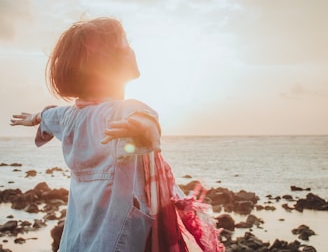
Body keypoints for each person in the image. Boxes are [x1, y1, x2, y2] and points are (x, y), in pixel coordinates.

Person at [11, 17, 224, 252]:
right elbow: (147, 122)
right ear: (105, 65)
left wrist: (34, 118)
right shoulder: (126, 110)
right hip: (121, 236)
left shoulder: (69, 116)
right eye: (124, 45)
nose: (131, 50)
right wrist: (139, 128)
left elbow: (49, 115)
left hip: (80, 236)